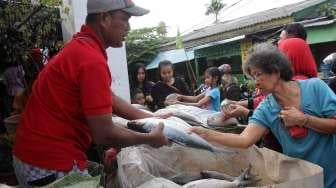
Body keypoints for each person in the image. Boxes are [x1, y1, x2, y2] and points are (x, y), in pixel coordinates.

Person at [12, 0, 170, 187]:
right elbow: (104, 134)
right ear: (104, 18)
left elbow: (110, 99)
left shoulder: (83, 47)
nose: (128, 27)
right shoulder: (91, 60)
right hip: (47, 164)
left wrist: (152, 119)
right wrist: (149, 139)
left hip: (31, 155)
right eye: (125, 19)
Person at [190, 43, 336, 188]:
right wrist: (207, 134)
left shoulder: (315, 87)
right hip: (302, 179)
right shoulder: (266, 107)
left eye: (258, 74)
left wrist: (304, 120)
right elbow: (244, 140)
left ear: (276, 71)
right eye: (253, 76)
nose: (256, 82)